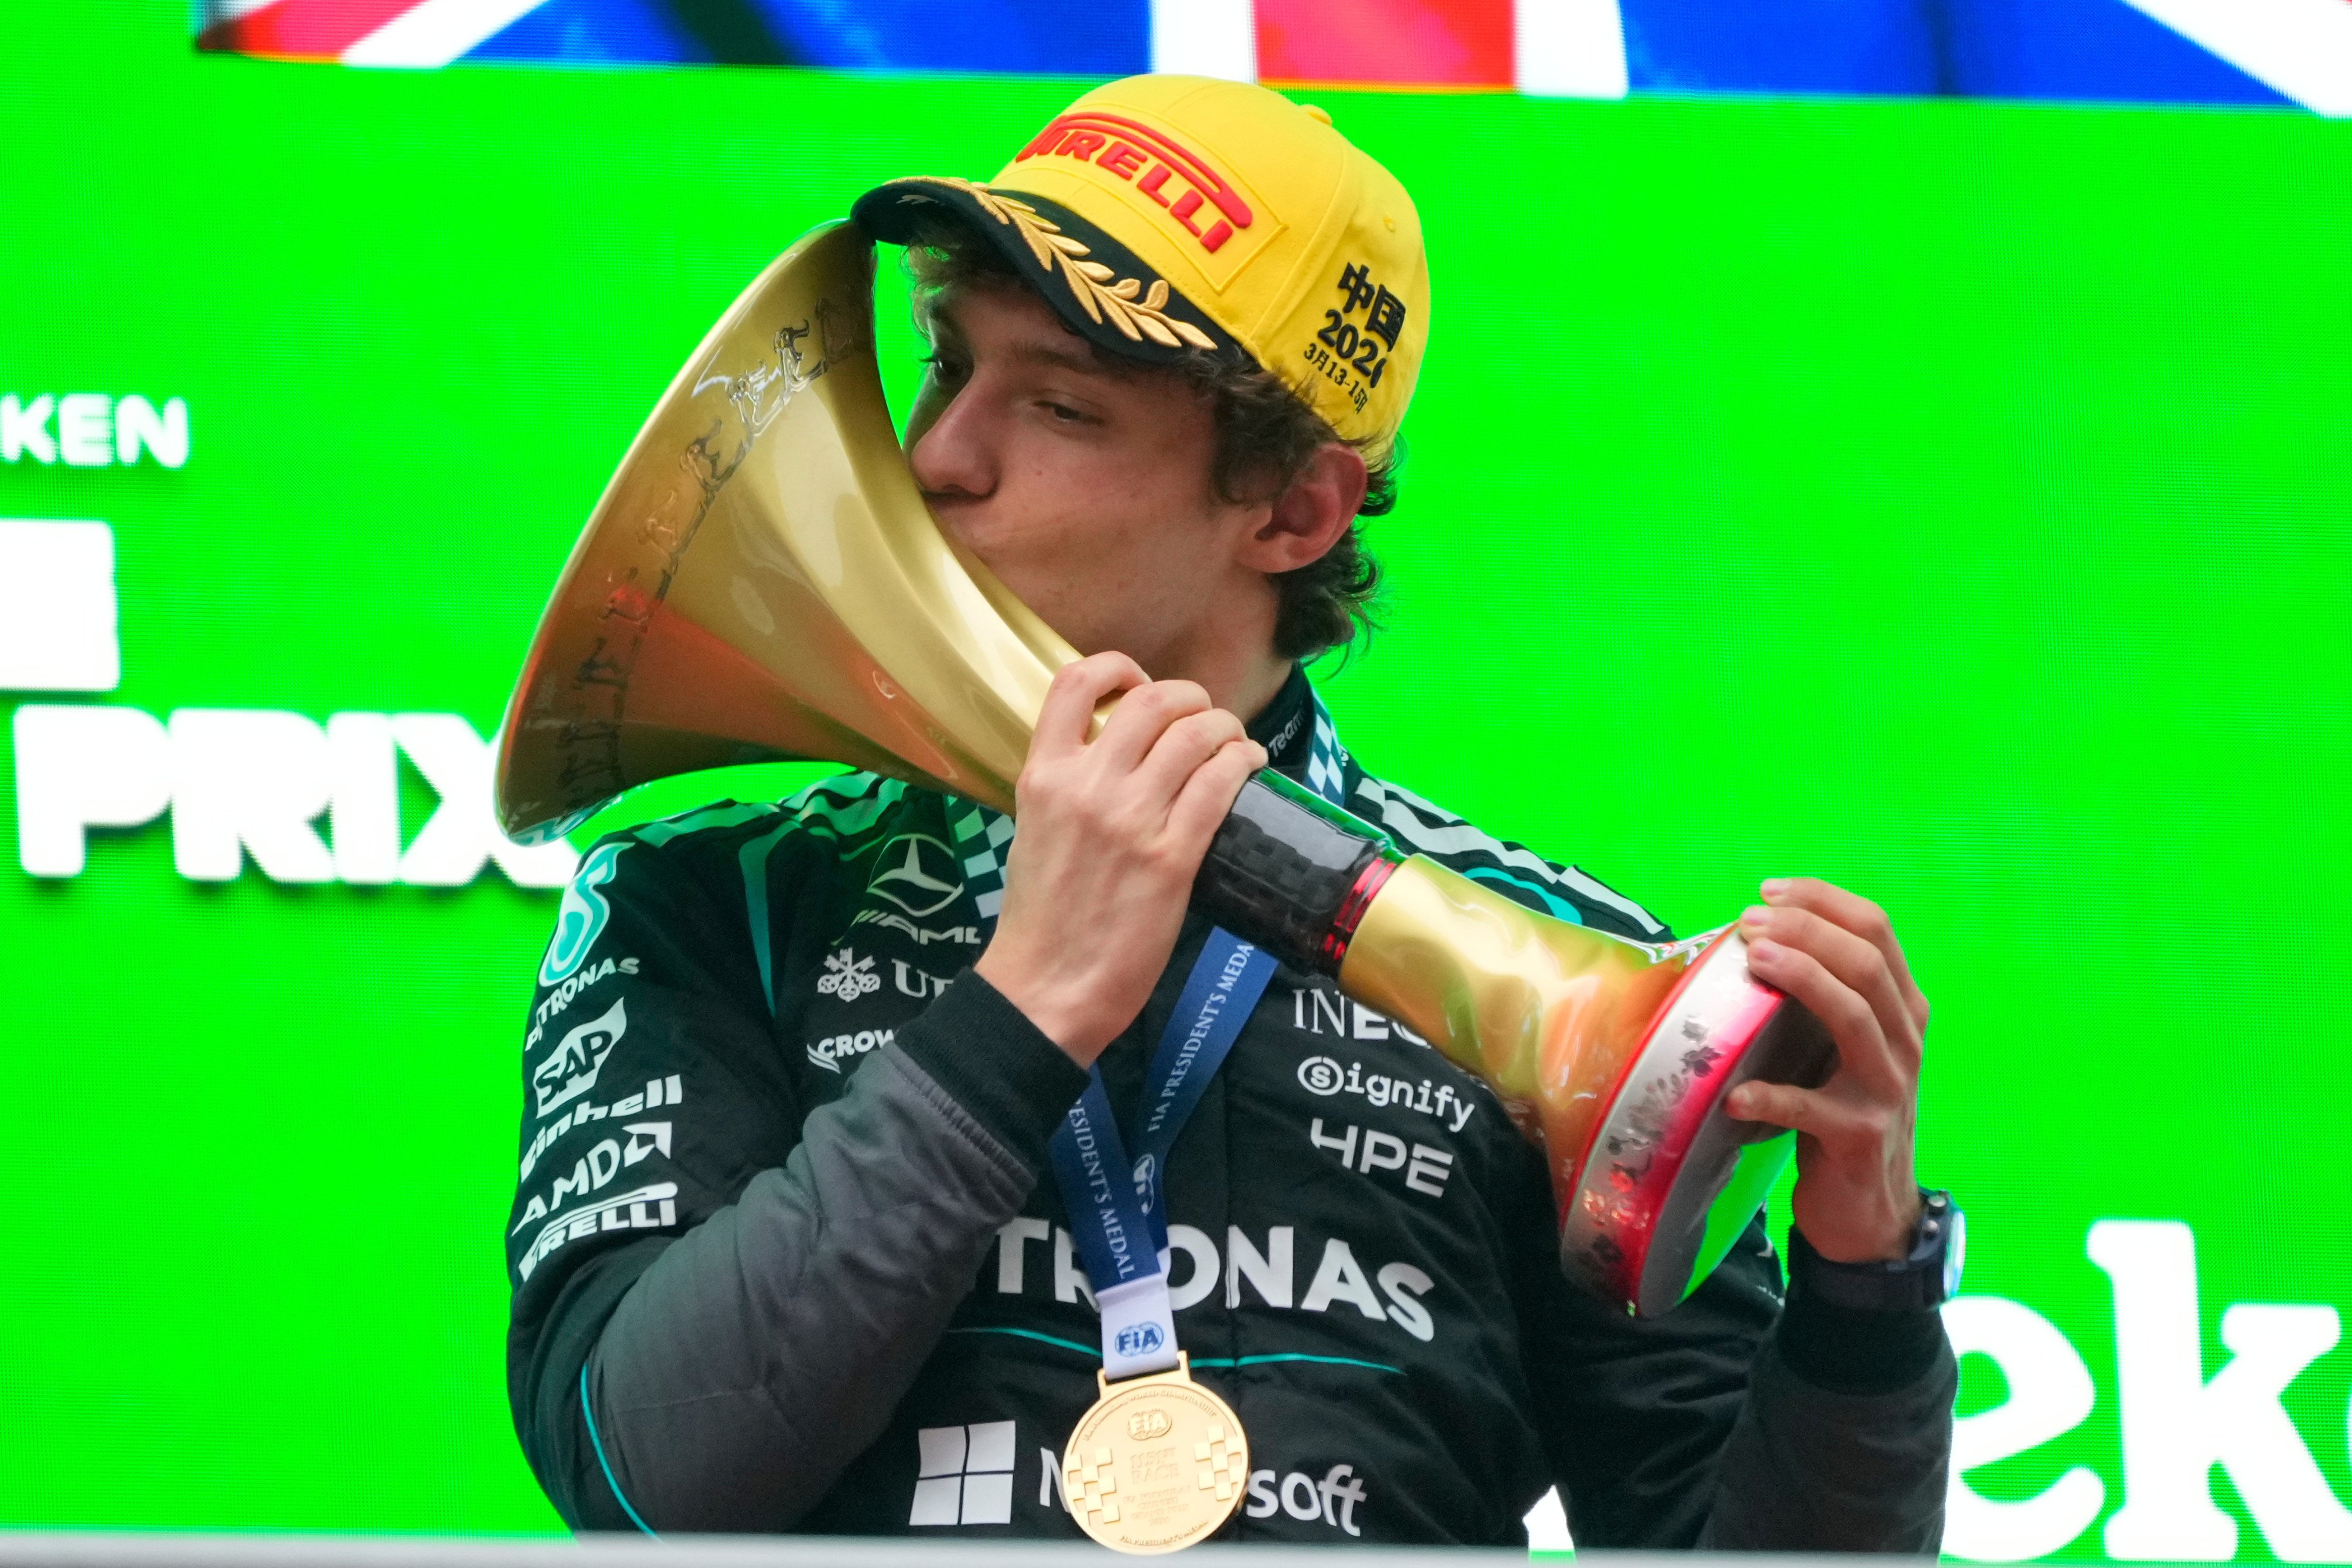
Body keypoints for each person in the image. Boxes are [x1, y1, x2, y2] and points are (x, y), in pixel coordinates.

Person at [504, 72, 1955, 1547]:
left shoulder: (1575, 987)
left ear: (1293, 512)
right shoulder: (711, 898)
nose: (938, 453)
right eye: (946, 366)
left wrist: (1861, 1293)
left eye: (1059, 403)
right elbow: (640, 1475)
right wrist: (1027, 1004)